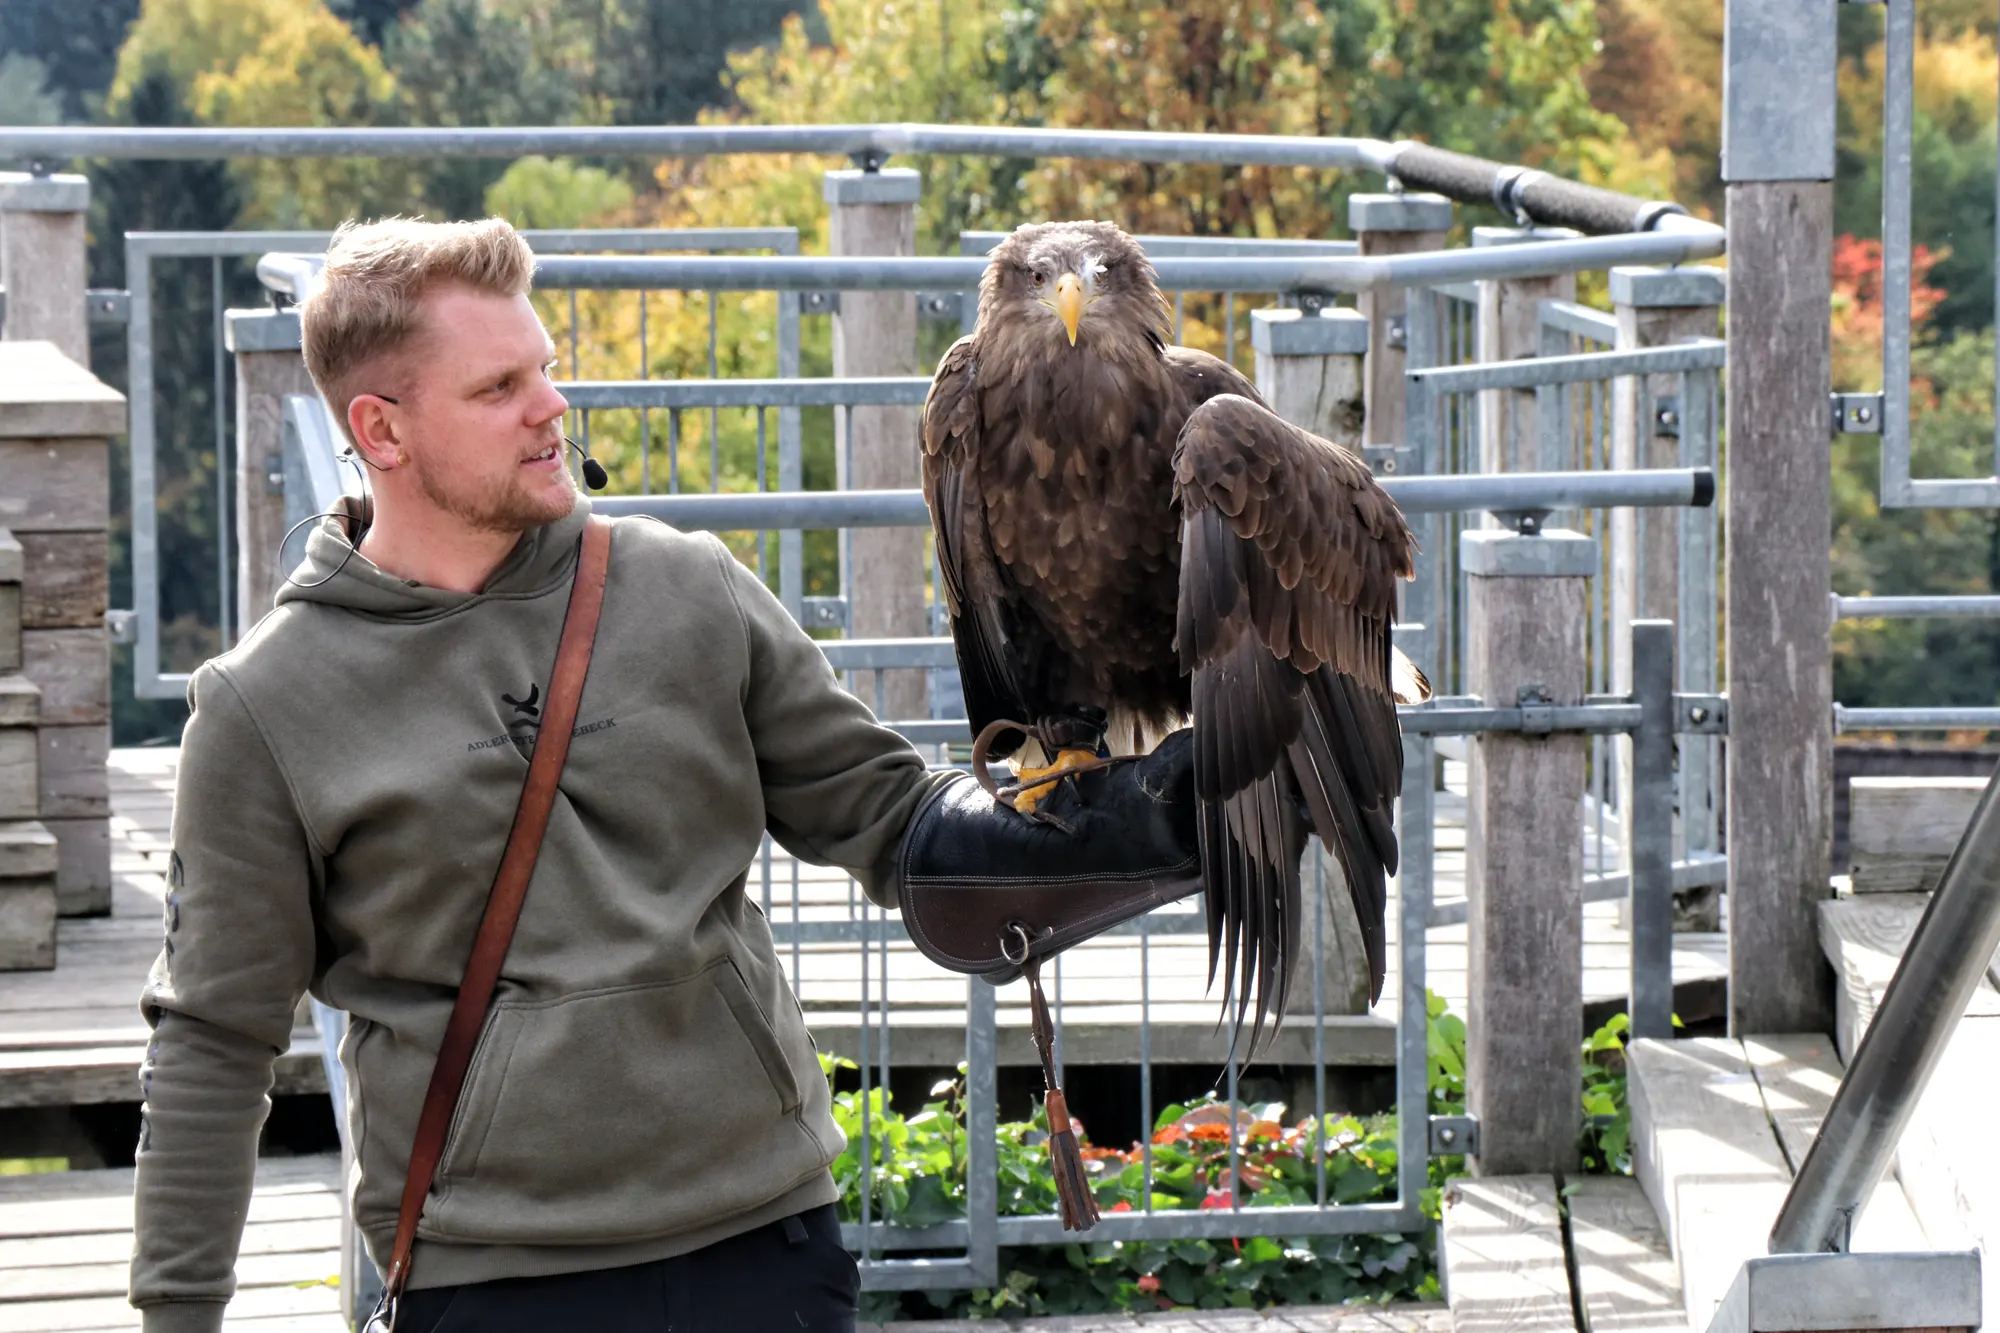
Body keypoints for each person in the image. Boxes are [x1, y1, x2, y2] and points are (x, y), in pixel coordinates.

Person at [127, 217, 1197, 1333]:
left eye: (544, 368)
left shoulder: (681, 588)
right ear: (380, 430)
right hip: (491, 1280)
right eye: (499, 388)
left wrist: (1159, 813)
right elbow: (212, 1043)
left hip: (764, 1250)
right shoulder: (269, 704)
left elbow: (896, 825)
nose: (551, 406)